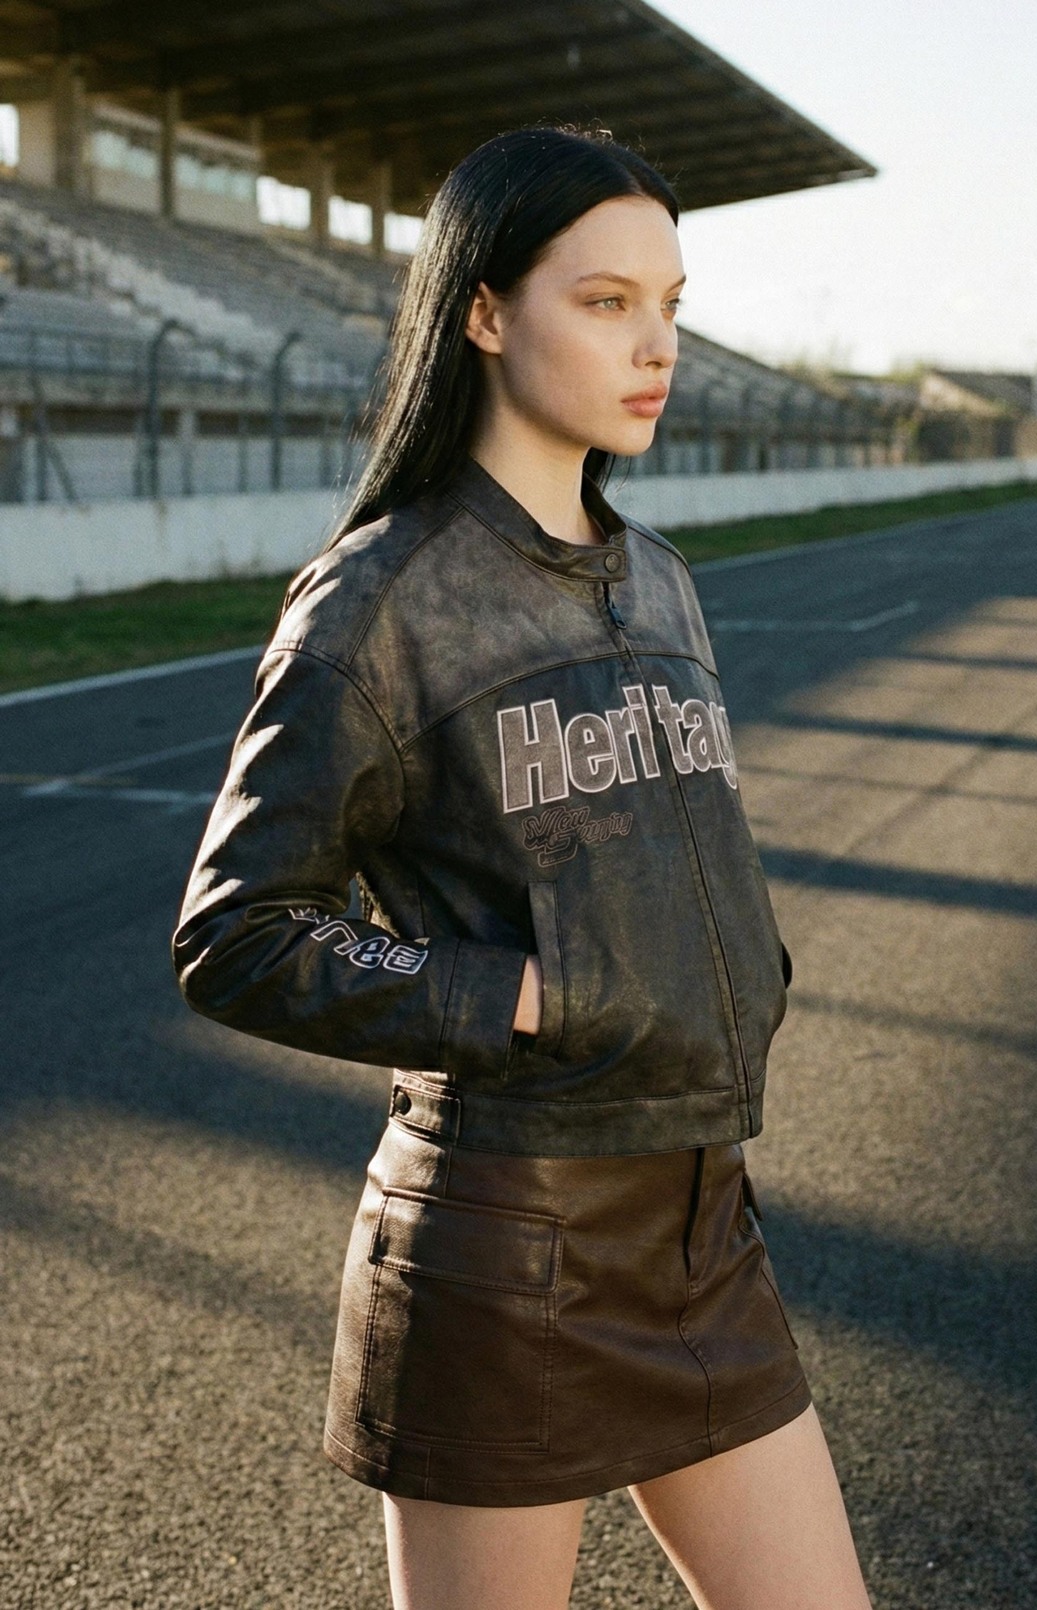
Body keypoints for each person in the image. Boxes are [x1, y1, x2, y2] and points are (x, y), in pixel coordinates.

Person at [171, 124, 873, 1610]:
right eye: (606, 302)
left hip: (702, 1226)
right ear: (484, 312)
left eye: (669, 304)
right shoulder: (380, 600)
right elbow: (239, 930)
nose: (656, 344)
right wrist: (518, 995)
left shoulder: (661, 580)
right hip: (505, 1247)